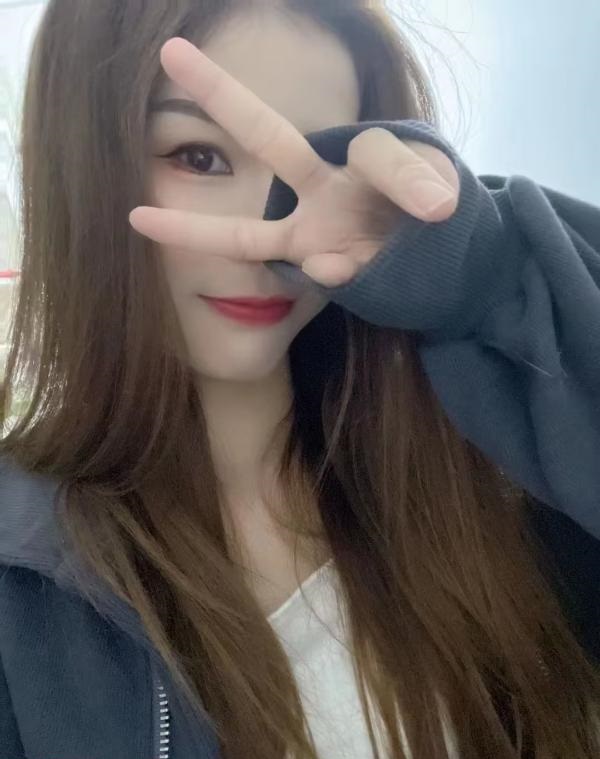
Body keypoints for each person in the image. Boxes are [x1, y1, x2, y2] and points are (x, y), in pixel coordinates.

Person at [0, 0, 599, 757]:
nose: (272, 234)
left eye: (317, 168)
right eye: (197, 157)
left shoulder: (485, 470)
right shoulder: (20, 577)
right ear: (82, 169)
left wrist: (489, 276)